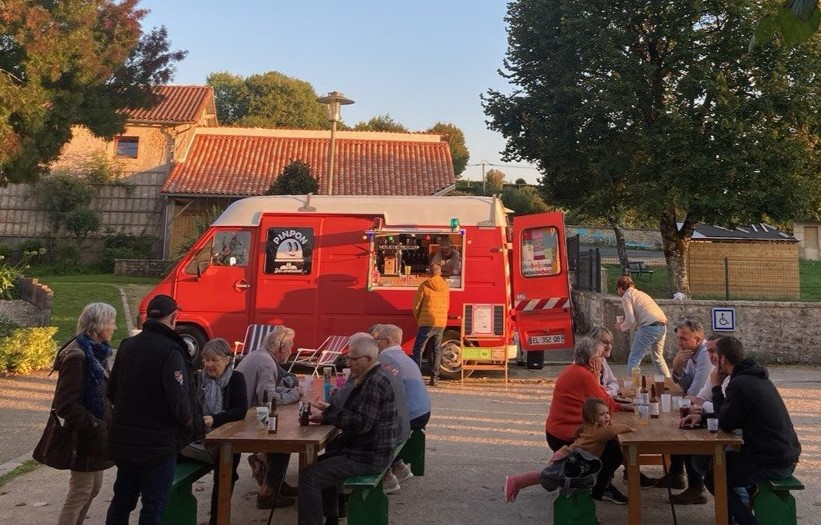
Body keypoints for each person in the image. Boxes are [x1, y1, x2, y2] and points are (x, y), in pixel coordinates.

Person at [680, 336, 801, 525]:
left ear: (722, 360)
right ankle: (735, 515)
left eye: (715, 355)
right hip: (783, 453)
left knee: (714, 477)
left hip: (773, 461)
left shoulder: (740, 383)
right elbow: (731, 416)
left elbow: (726, 424)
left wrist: (716, 387)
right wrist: (701, 418)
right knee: (717, 467)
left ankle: (747, 521)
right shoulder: (754, 376)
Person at [106, 294, 204, 525]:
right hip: (158, 444)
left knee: (122, 499)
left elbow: (111, 390)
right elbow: (179, 401)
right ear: (174, 318)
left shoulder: (128, 345)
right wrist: (189, 425)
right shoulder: (171, 350)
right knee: (154, 504)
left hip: (125, 440)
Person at [300, 334, 398, 525]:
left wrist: (330, 410)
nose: (348, 363)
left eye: (353, 359)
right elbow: (354, 414)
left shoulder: (374, 383)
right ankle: (333, 517)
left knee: (308, 477)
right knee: (320, 463)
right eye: (347, 358)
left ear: (369, 359)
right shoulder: (369, 377)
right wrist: (327, 415)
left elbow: (361, 424)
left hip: (370, 456)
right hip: (369, 450)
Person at [41, 303, 117, 525]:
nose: (114, 327)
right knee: (80, 492)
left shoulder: (96, 351)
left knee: (93, 489)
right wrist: (95, 425)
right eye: (111, 322)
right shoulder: (77, 355)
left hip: (96, 436)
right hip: (84, 436)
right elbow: (65, 404)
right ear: (98, 325)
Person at [545, 337, 634, 504]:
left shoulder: (576, 370)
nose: (603, 360)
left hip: (558, 429)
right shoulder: (584, 375)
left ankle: (597, 486)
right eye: (601, 356)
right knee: (614, 452)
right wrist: (596, 375)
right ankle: (595, 491)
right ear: (593, 361)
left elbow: (601, 398)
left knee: (610, 443)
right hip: (566, 434)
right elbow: (604, 403)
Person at [505, 397, 633, 503]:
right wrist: (629, 427)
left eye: (607, 413)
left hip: (572, 458)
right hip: (568, 459)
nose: (606, 417)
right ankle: (516, 481)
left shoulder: (592, 428)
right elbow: (612, 431)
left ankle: (583, 515)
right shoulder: (597, 431)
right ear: (592, 418)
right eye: (602, 414)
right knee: (545, 476)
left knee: (576, 485)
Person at [235, 326, 300, 508]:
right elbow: (269, 398)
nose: (292, 350)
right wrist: (295, 395)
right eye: (291, 346)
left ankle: (270, 476)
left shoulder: (258, 355)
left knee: (281, 431)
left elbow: (268, 391)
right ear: (281, 347)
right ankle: (268, 493)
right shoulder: (266, 363)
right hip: (245, 419)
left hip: (247, 413)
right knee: (285, 439)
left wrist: (288, 391)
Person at [588, 325, 655, 488]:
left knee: (626, 427)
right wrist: (611, 396)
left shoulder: (601, 361)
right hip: (587, 421)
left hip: (598, 411)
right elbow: (597, 399)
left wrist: (609, 393)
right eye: (605, 342)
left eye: (610, 342)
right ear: (593, 344)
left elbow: (612, 383)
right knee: (620, 437)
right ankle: (606, 485)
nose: (609, 346)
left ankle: (631, 472)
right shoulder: (589, 365)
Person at [655, 318, 712, 504]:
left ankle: (696, 488)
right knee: (675, 417)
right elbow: (686, 385)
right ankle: (676, 474)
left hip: (711, 409)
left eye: (684, 339)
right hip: (700, 404)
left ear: (697, 339)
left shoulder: (704, 355)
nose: (680, 343)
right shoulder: (690, 354)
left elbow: (695, 392)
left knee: (683, 428)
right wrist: (677, 368)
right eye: (679, 338)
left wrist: (681, 399)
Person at [372, 323, 431, 493]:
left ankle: (387, 476)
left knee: (371, 429)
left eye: (377, 340)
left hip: (411, 414)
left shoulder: (386, 359)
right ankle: (399, 467)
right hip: (422, 410)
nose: (375, 343)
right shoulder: (404, 357)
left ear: (387, 341)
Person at [199, 338, 248, 525]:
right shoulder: (199, 378)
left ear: (227, 360)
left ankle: (217, 519)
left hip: (228, 435)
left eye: (214, 360)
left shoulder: (236, 378)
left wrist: (215, 419)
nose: (209, 365)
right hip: (201, 435)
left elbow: (240, 410)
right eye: (206, 360)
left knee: (225, 470)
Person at [614, 275, 670, 377]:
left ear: (621, 288)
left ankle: (632, 386)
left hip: (649, 326)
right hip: (662, 325)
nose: (618, 293)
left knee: (634, 358)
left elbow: (630, 320)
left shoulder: (626, 296)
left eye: (617, 290)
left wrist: (621, 327)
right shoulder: (641, 293)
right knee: (658, 358)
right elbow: (637, 316)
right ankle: (669, 382)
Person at [411, 263, 450, 386]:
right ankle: (434, 378)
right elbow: (447, 304)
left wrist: (419, 319)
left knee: (418, 348)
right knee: (436, 349)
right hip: (441, 321)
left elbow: (416, 306)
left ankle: (417, 378)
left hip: (427, 322)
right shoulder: (445, 286)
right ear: (440, 273)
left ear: (428, 272)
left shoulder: (424, 286)